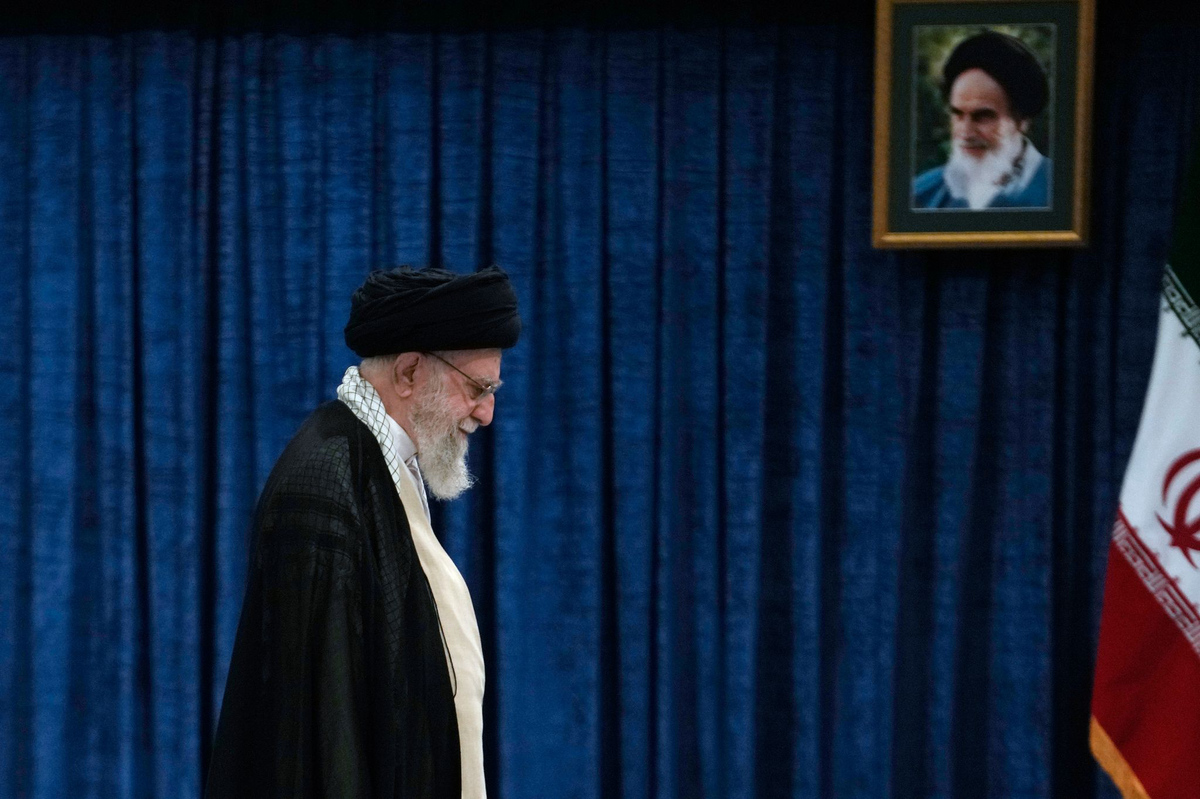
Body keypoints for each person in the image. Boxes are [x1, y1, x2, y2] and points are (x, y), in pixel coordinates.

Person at [205, 265, 521, 799]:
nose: (487, 413)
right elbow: (319, 737)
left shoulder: (382, 464)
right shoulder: (327, 484)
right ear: (409, 372)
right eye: (477, 388)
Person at [912, 30, 1052, 210]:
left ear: (1021, 120)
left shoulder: (1062, 190)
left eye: (983, 116)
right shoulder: (921, 194)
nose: (966, 133)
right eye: (958, 114)